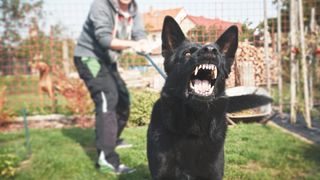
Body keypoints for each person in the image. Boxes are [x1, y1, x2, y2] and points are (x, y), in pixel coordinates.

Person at [73, 0, 149, 174]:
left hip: (108, 61)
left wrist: (143, 42)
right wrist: (133, 45)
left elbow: (139, 32)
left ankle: (111, 139)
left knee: (123, 100)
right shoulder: (100, 5)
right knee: (108, 99)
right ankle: (107, 159)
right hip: (89, 58)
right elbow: (105, 38)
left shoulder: (133, 9)